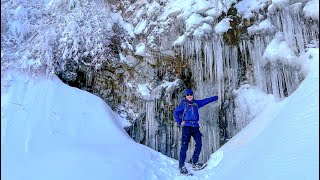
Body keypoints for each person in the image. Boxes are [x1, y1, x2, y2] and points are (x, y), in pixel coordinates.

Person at [173, 89, 218, 174]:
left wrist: (215, 97)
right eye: (187, 95)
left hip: (195, 127)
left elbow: (205, 101)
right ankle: (181, 165)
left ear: (193, 95)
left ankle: (195, 162)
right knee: (184, 146)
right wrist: (179, 122)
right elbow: (175, 112)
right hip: (186, 127)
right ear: (185, 96)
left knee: (199, 143)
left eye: (191, 94)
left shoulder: (196, 103)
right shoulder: (183, 104)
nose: (189, 96)